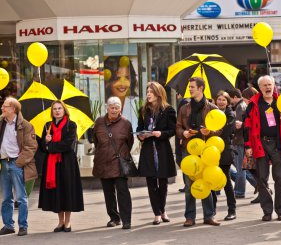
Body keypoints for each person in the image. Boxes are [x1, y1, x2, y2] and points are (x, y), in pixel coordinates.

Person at [244, 75, 281, 221]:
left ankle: (280, 210)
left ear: (273, 86)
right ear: (260, 88)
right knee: (261, 179)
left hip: (277, 144)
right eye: (264, 85)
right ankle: (267, 211)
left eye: (269, 84)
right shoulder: (253, 104)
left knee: (279, 178)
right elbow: (246, 126)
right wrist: (247, 145)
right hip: (260, 144)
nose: (267, 87)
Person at [176, 77, 221, 227]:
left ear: (201, 88)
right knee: (189, 185)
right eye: (189, 87)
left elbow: (220, 129)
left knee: (206, 181)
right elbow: (178, 127)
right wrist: (184, 133)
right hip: (189, 149)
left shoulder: (212, 108)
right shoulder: (184, 107)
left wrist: (210, 131)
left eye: (192, 87)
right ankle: (190, 217)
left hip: (206, 150)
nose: (190, 89)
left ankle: (209, 216)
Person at [38, 100, 84, 232]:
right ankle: (60, 222)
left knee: (67, 190)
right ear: (52, 111)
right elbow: (42, 148)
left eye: (59, 108)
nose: (57, 111)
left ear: (64, 110)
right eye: (55, 109)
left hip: (67, 163)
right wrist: (45, 141)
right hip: (52, 164)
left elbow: (68, 145)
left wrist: (50, 146)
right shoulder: (48, 126)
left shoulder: (71, 125)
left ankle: (68, 222)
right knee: (57, 192)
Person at [136, 82, 177, 225]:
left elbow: (173, 130)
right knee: (151, 183)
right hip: (148, 149)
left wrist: (161, 133)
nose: (148, 94)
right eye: (147, 91)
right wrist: (140, 136)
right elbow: (139, 128)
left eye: (151, 92)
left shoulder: (168, 110)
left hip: (162, 150)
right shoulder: (143, 110)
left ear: (158, 94)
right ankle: (157, 214)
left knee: (163, 183)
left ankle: (162, 210)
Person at [92, 96, 134, 230]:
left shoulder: (126, 123)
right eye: (112, 107)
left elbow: (130, 142)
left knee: (123, 192)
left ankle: (126, 220)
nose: (114, 110)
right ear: (107, 108)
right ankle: (114, 218)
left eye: (117, 108)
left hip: (119, 163)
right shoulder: (99, 122)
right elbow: (96, 141)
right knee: (108, 193)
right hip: (103, 162)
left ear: (120, 109)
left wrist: (122, 154)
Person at [0, 97, 37, 236]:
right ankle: (8, 225)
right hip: (3, 163)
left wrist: (18, 162)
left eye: (5, 106)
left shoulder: (26, 125)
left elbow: (31, 147)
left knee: (21, 197)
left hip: (17, 163)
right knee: (6, 198)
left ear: (13, 109)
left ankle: (23, 226)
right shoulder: (1, 122)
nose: (2, 108)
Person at [226, 88, 257, 201]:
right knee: (243, 167)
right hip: (242, 141)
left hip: (240, 141)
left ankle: (239, 191)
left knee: (241, 168)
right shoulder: (243, 106)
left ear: (234, 97)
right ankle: (258, 184)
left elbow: (240, 125)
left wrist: (234, 125)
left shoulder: (240, 107)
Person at [212, 91, 236, 221]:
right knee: (212, 181)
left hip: (225, 151)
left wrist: (213, 131)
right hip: (212, 151)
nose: (221, 102)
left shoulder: (230, 114)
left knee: (226, 181)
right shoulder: (212, 113)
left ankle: (232, 210)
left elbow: (227, 131)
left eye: (223, 100)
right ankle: (212, 210)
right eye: (219, 99)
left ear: (227, 102)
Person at [105, 56, 139, 130]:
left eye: (127, 77)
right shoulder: (102, 105)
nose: (123, 83)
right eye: (117, 78)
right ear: (108, 81)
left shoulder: (136, 103)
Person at [175, 92, 190, 193]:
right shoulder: (186, 102)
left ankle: (187, 184)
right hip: (183, 135)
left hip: (183, 137)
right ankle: (187, 184)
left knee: (181, 160)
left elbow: (181, 122)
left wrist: (182, 134)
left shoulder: (183, 103)